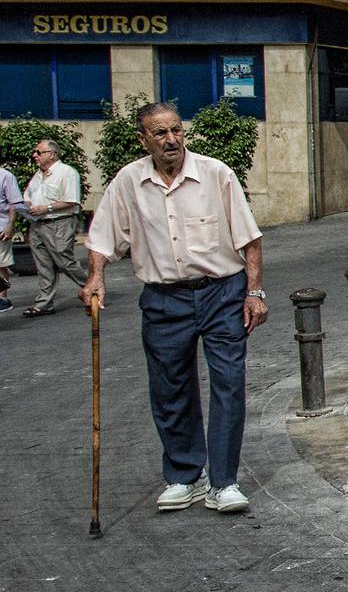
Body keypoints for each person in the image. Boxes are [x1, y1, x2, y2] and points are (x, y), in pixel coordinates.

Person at [81, 102, 268, 514]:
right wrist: (96, 276)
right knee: (170, 388)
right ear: (143, 139)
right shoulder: (129, 182)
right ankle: (185, 475)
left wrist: (255, 292)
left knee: (229, 383)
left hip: (222, 292)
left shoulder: (216, 174)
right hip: (165, 298)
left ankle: (223, 481)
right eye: (160, 133)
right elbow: (102, 237)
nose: (171, 140)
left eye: (176, 131)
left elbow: (249, 238)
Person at [22, 140, 89, 316]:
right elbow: (28, 193)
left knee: (64, 261)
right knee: (43, 265)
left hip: (59, 222)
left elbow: (72, 200)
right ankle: (44, 304)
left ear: (52, 154)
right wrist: (28, 202)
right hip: (38, 224)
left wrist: (47, 208)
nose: (34, 155)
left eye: (39, 152)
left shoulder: (66, 173)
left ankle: (92, 287)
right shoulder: (38, 175)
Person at [0, 164, 20, 314]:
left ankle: (3, 299)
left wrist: (10, 225)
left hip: (1, 227)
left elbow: (14, 203)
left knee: (1, 264)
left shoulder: (6, 176)